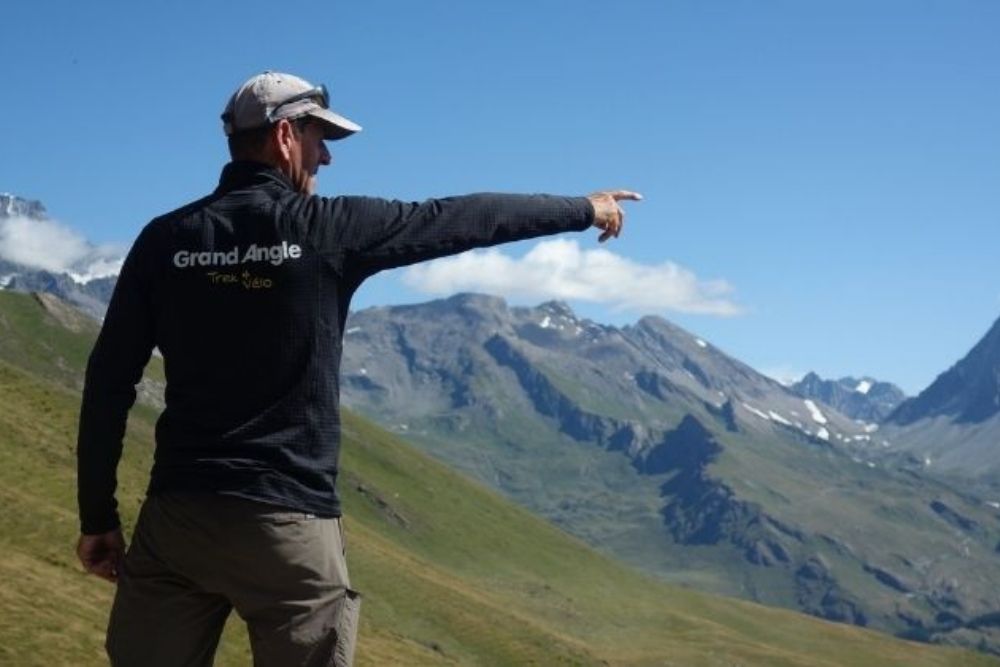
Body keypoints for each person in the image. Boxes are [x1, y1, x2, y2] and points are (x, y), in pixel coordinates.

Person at [75, 70, 641, 667]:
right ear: (285, 135)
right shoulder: (327, 230)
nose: (325, 158)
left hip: (178, 522)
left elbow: (109, 383)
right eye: (321, 139)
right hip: (288, 525)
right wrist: (582, 208)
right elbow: (460, 218)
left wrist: (98, 518)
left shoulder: (164, 240)